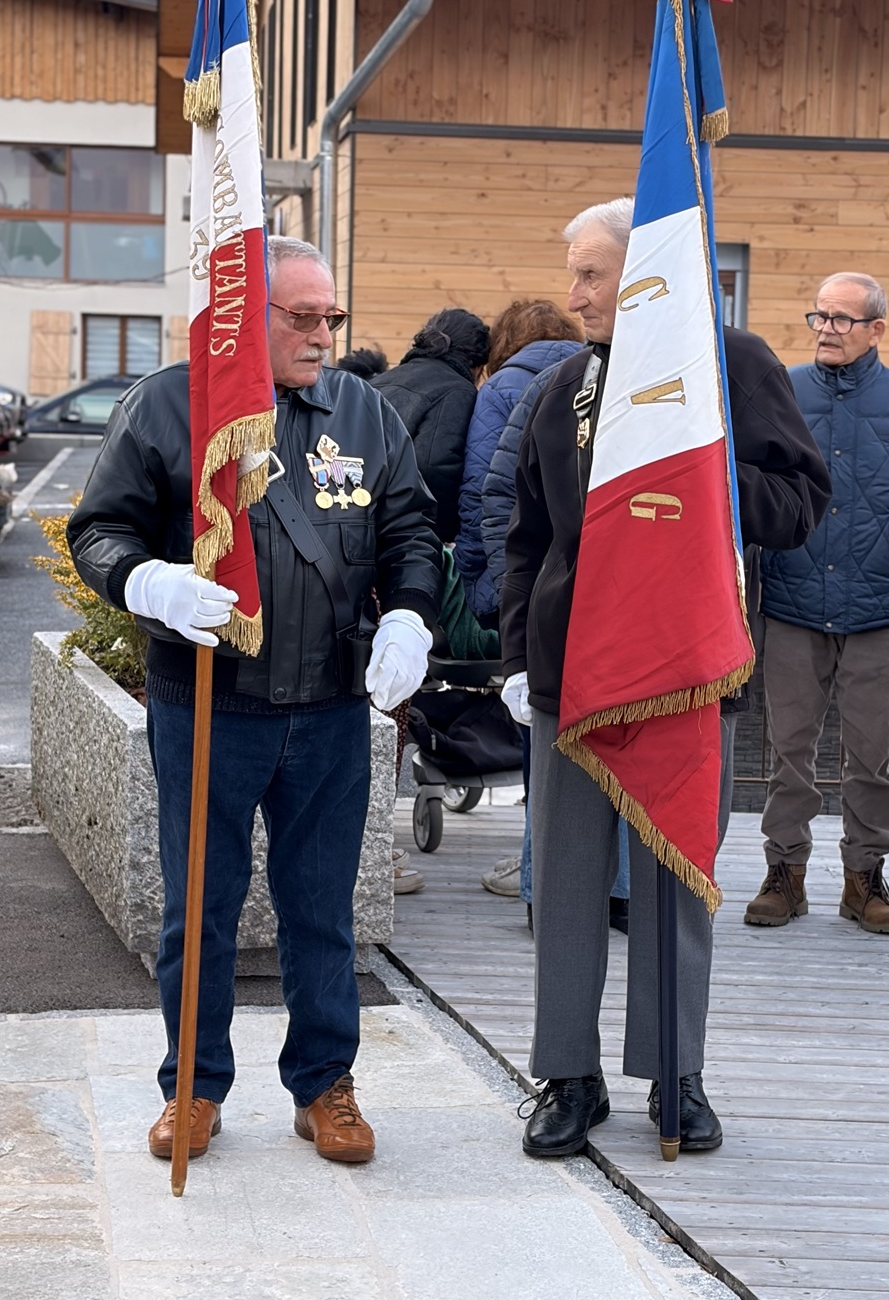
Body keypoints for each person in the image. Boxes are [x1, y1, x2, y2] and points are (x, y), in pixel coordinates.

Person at [68, 236, 441, 1164]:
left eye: (332, 318)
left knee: (322, 908)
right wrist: (145, 582)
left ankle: (325, 1085)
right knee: (201, 906)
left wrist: (412, 619)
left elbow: (410, 531)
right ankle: (193, 1086)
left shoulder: (364, 411)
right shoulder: (168, 405)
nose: (323, 335)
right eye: (302, 317)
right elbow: (98, 530)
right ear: (247, 314)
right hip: (208, 704)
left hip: (326, 706)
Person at [500, 198, 830, 1158]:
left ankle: (676, 1075)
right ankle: (568, 1075)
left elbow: (802, 502)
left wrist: (705, 476)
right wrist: (520, 658)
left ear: (646, 275)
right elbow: (526, 540)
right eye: (571, 273)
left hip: (686, 675)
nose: (574, 295)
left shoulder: (732, 366)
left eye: (592, 274)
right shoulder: (563, 387)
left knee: (674, 882)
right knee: (562, 886)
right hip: (573, 676)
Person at [750, 273, 889, 936]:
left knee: (871, 753)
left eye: (841, 318)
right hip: (792, 598)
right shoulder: (783, 390)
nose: (825, 327)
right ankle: (783, 875)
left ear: (876, 329)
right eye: (818, 315)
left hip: (878, 606)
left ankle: (864, 879)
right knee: (789, 750)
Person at [456, 300, 581, 626]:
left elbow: (481, 488)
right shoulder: (598, 375)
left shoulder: (499, 389)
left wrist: (477, 578)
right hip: (588, 564)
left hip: (521, 563)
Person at [371, 308, 490, 541]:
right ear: (477, 364)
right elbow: (433, 467)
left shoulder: (378, 381)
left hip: (356, 520)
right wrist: (444, 535)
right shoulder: (458, 391)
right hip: (403, 535)